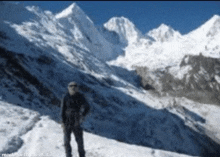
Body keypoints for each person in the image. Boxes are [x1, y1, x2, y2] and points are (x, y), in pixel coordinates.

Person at [61, 81, 90, 157]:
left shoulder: (67, 96)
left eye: (74, 86)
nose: (73, 87)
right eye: (71, 86)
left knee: (77, 141)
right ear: (69, 87)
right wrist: (82, 115)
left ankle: (77, 155)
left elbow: (87, 107)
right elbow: (63, 110)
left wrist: (82, 115)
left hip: (73, 121)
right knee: (70, 141)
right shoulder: (69, 97)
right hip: (72, 121)